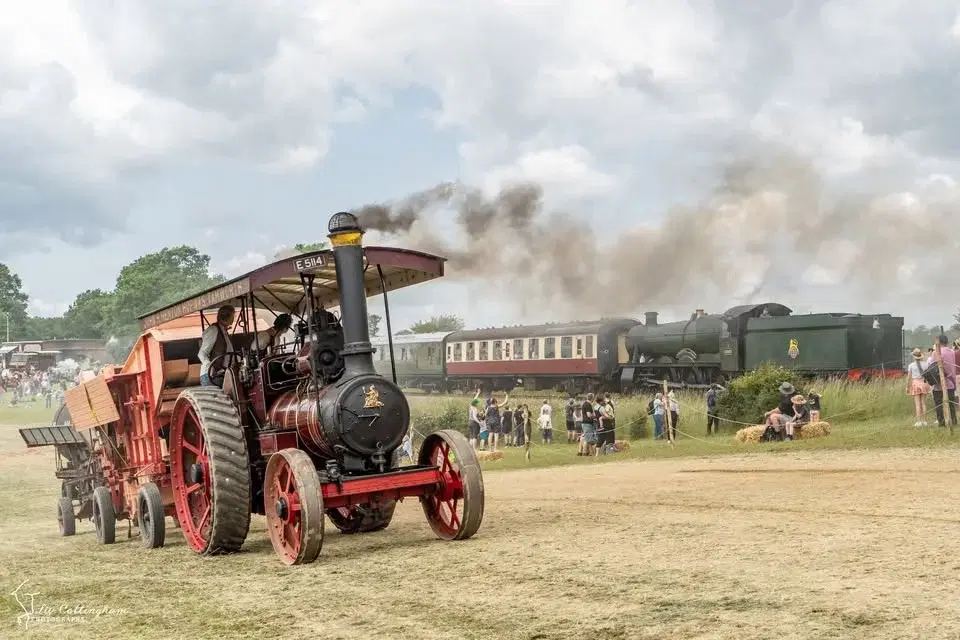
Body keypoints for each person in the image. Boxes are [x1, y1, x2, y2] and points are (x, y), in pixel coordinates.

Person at [199, 305, 236, 387]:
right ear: (226, 317)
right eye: (233, 316)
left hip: (222, 374)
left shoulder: (224, 332)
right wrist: (210, 367)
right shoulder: (214, 330)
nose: (234, 319)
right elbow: (202, 353)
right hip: (211, 376)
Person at [925, 335, 958, 428]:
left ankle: (941, 422)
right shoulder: (952, 352)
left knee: (938, 404)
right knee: (951, 404)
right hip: (951, 382)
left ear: (938, 342)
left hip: (939, 383)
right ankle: (954, 421)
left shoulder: (936, 352)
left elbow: (932, 365)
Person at [905, 348, 931, 427]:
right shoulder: (926, 364)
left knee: (917, 404)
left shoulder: (911, 365)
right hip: (924, 383)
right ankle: (925, 421)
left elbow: (909, 377)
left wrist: (907, 386)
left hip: (916, 384)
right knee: (923, 402)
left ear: (914, 356)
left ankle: (919, 421)